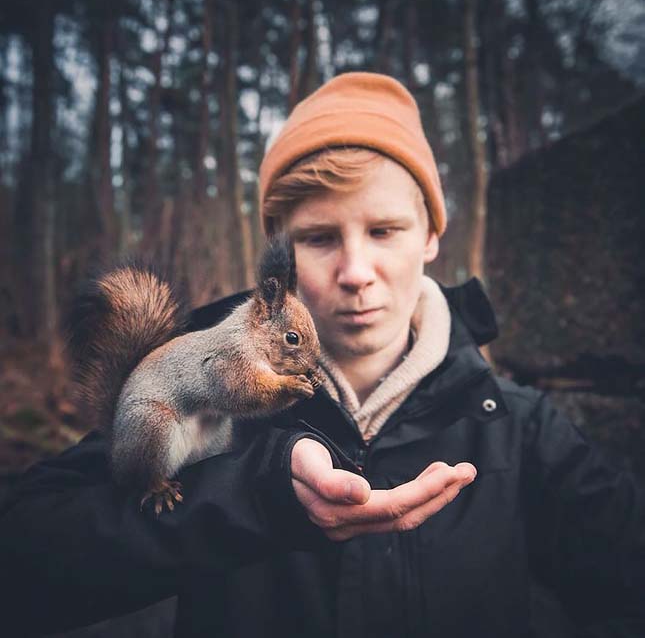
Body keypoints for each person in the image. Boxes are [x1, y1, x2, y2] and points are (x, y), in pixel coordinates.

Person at [1, 72, 643, 638]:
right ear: (282, 261)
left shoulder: (518, 426)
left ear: (431, 236)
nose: (355, 271)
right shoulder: (197, 380)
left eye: (384, 230)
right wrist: (250, 496)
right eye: (319, 238)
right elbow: (25, 557)